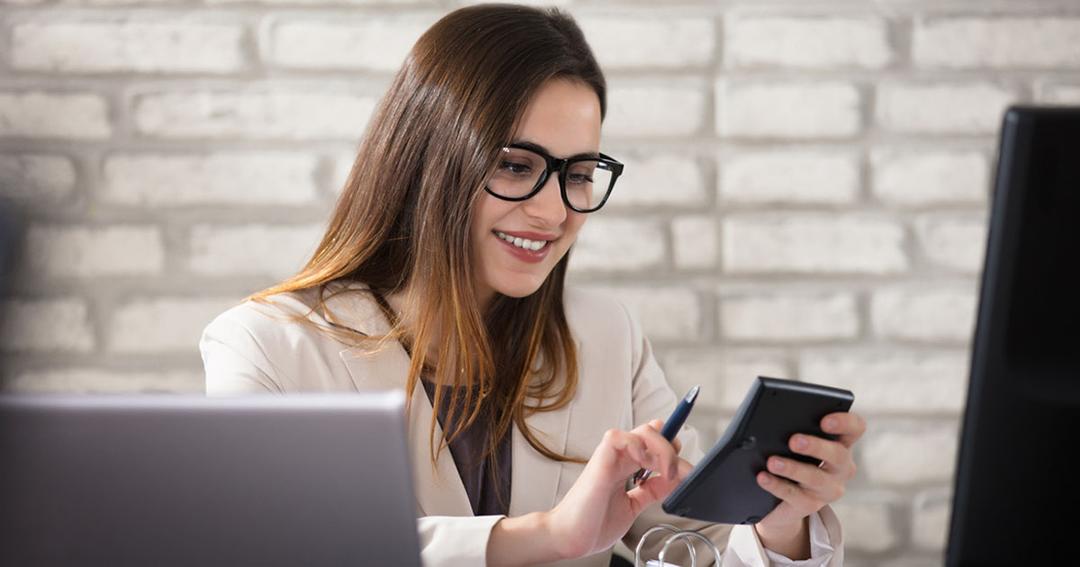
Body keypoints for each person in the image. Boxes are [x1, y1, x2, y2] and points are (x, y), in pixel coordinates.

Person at [200, 4, 865, 566]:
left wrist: (781, 519)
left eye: (579, 173)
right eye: (516, 165)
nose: (554, 212)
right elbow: (272, 546)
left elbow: (697, 545)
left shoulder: (606, 335)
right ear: (427, 161)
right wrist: (547, 534)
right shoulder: (265, 346)